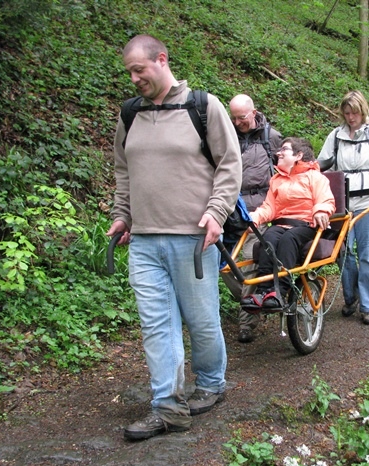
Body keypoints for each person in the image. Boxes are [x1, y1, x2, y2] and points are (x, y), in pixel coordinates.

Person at [107, 34, 242, 441]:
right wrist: (122, 215)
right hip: (145, 242)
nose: (133, 79)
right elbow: (123, 171)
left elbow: (229, 165)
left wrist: (217, 213)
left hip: (193, 239)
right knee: (156, 324)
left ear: (161, 60)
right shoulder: (130, 114)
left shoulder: (202, 106)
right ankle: (167, 406)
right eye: (129, 72)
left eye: (139, 70)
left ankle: (212, 384)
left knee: (201, 321)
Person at [317, 90, 369, 325]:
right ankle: (351, 297)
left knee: (367, 255)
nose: (351, 117)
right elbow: (323, 163)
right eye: (347, 113)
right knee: (344, 255)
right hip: (343, 206)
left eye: (354, 113)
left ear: (363, 112)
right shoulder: (335, 136)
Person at [240, 137, 335, 310]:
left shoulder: (314, 177)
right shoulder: (276, 180)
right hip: (281, 224)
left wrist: (321, 210)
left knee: (289, 238)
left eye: (284, 149)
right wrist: (255, 217)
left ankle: (280, 291)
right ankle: (263, 291)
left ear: (298, 155)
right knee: (267, 237)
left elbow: (325, 199)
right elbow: (269, 207)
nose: (279, 153)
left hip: (306, 225)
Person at [225, 94, 283, 344]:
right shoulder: (226, 135)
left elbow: (285, 171)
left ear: (254, 112)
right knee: (224, 266)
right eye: (234, 118)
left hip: (259, 213)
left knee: (248, 264)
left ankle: (247, 321)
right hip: (229, 210)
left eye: (242, 118)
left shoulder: (271, 137)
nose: (238, 123)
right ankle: (254, 298)